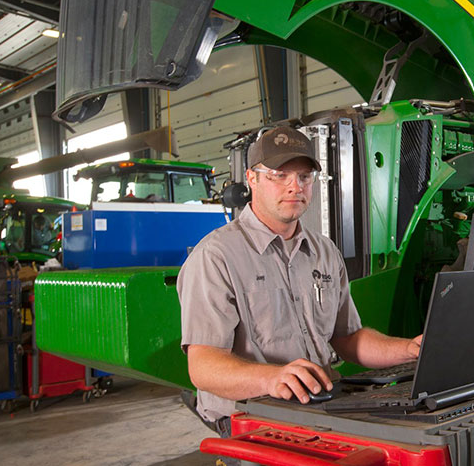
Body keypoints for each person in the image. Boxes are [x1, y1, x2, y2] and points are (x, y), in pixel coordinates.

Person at [177, 126, 422, 437]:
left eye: (304, 177)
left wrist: (412, 349)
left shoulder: (324, 252)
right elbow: (203, 366)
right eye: (279, 175)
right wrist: (272, 378)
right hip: (251, 415)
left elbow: (348, 338)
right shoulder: (216, 256)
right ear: (252, 179)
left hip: (319, 405)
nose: (295, 187)